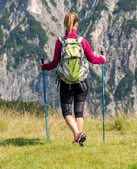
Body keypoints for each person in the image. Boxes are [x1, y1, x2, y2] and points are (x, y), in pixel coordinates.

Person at [40, 12, 106, 146]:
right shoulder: (82, 41)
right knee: (79, 113)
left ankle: (77, 135)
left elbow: (55, 63)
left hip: (65, 82)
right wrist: (102, 59)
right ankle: (78, 139)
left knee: (66, 112)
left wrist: (44, 67)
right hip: (82, 81)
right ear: (76, 24)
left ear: (64, 24)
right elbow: (92, 59)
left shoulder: (60, 42)